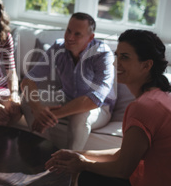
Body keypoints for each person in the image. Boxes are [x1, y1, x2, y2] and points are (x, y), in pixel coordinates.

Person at [45, 29, 171, 186]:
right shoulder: (161, 97)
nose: (116, 64)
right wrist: (80, 154)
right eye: (117, 56)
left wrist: (82, 165)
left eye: (125, 57)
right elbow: (123, 154)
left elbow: (123, 170)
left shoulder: (145, 107)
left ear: (146, 65)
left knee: (89, 177)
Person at [21, 12, 116, 150]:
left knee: (79, 116)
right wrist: (37, 109)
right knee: (26, 99)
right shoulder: (58, 47)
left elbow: (94, 99)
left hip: (100, 108)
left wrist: (51, 116)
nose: (70, 37)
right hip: (66, 98)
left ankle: (70, 167)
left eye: (77, 34)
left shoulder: (103, 54)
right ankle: (43, 152)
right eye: (68, 31)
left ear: (90, 38)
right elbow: (28, 80)